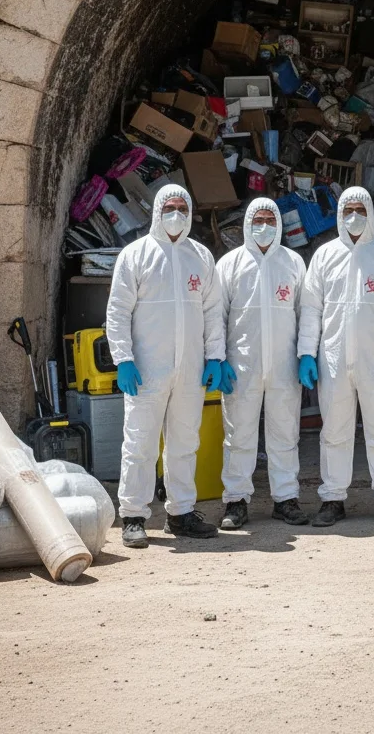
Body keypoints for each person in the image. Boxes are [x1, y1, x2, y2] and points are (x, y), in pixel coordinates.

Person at [105, 184, 232, 548]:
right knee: (140, 443)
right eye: (169, 208)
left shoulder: (201, 257)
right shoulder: (136, 255)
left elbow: (212, 312)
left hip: (190, 370)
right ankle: (133, 515)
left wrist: (215, 356)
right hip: (146, 370)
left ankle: (181, 513)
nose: (176, 215)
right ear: (157, 211)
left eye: (182, 208)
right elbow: (117, 311)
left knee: (184, 443)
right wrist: (123, 360)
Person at [297, 186, 374, 527]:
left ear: (370, 213)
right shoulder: (324, 256)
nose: (353, 217)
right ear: (339, 214)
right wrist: (306, 353)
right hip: (333, 359)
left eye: (360, 210)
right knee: (334, 431)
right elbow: (311, 309)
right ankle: (332, 499)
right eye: (347, 210)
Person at [216, 197, 309, 530]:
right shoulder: (230, 264)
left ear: (280, 224)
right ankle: (236, 501)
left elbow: (306, 312)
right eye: (258, 220)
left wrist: (306, 353)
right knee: (238, 435)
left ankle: (286, 499)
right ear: (247, 224)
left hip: (284, 365)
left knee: (285, 433)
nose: (265, 226)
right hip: (241, 365)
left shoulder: (293, 263)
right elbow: (215, 315)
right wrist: (217, 357)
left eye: (271, 219)